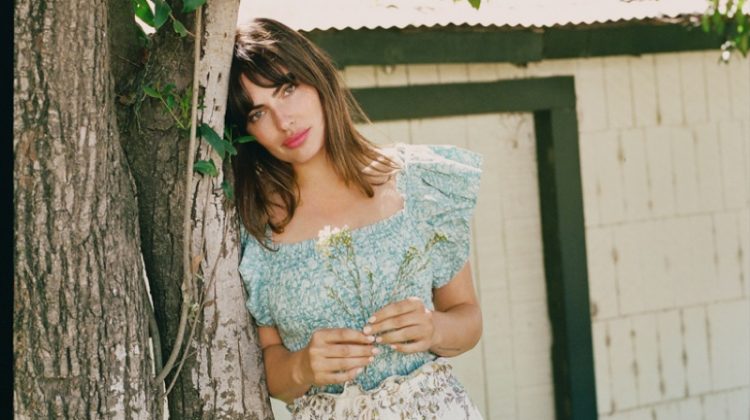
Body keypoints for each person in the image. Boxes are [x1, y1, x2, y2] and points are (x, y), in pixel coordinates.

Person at [227, 17, 484, 419]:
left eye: (287, 89)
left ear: (316, 77)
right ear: (246, 132)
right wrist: (302, 366)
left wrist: (434, 328)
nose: (284, 122)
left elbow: (468, 317)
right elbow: (270, 363)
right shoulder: (255, 226)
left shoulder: (416, 181)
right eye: (259, 113)